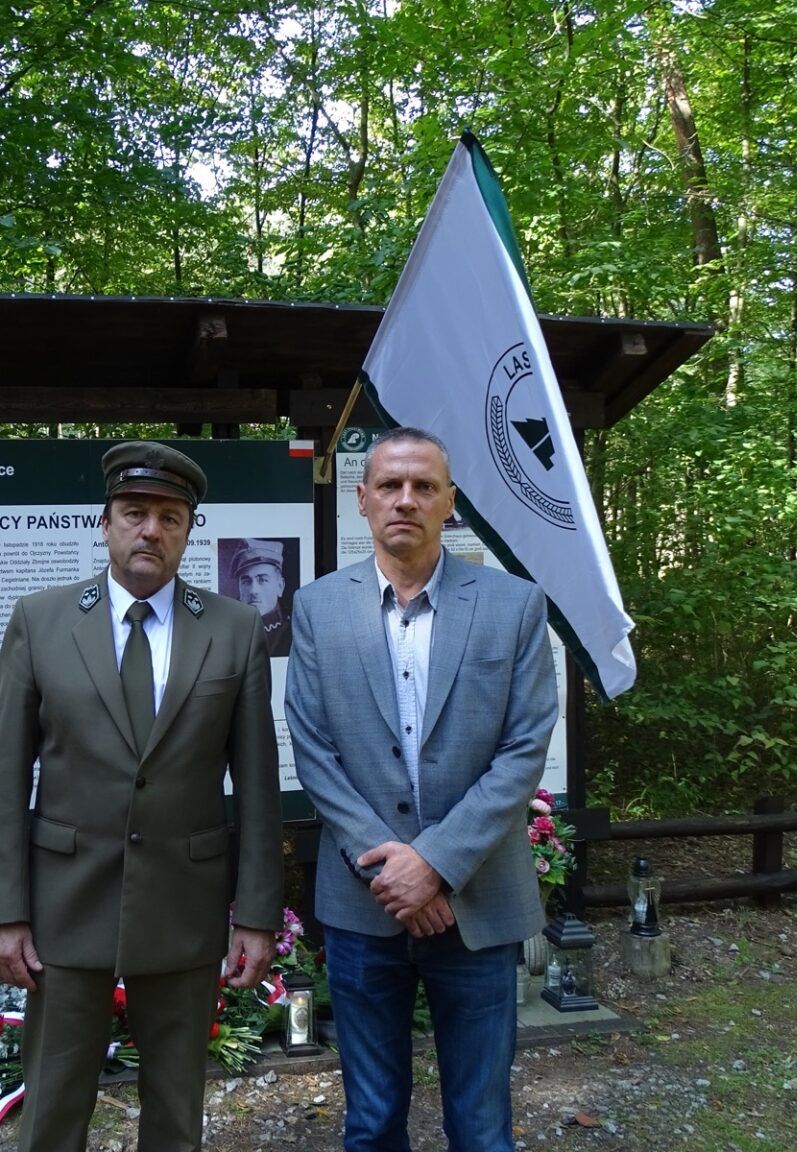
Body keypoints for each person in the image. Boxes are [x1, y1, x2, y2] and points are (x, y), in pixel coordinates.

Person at [0, 441, 284, 1152]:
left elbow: (259, 786)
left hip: (184, 901)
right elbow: (5, 776)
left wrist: (258, 915)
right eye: (135, 512)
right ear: (106, 521)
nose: (151, 529)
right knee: (53, 1108)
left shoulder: (234, 631)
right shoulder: (41, 621)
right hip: (65, 905)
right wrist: (3, 912)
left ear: (188, 531)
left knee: (177, 1113)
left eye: (170, 517)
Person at [285, 426, 558, 1152]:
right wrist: (392, 866)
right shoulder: (317, 608)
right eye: (390, 485)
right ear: (363, 499)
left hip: (478, 905)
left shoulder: (516, 606)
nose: (405, 499)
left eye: (424, 486)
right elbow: (313, 750)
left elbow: (523, 749)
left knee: (481, 1126)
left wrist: (433, 864)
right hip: (362, 907)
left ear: (450, 504)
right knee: (371, 1124)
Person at [230, 538, 291, 657]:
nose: (253, 591)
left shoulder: (292, 634)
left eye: (262, 580)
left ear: (280, 587)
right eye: (246, 581)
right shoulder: (228, 632)